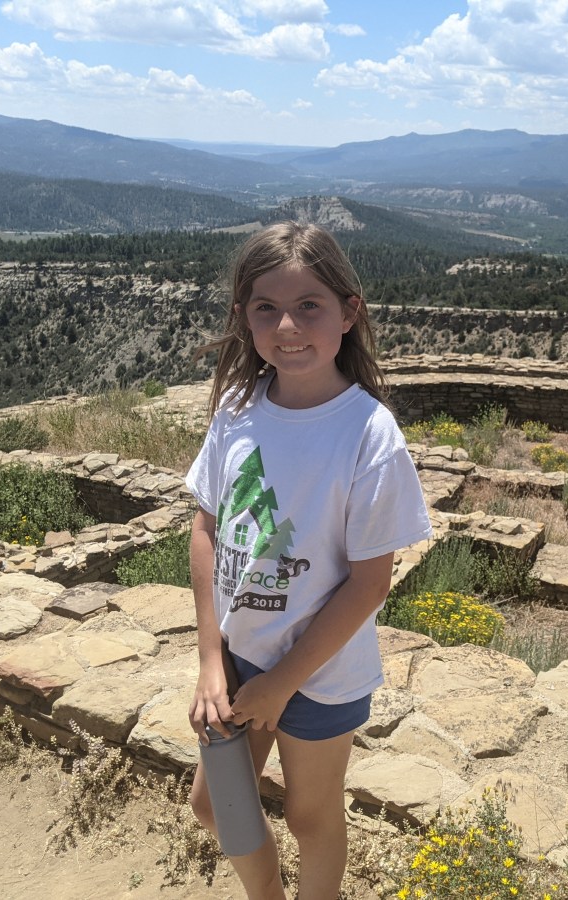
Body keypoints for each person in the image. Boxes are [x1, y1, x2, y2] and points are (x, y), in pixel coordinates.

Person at [185, 222, 432, 899]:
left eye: (309, 306)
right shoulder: (237, 409)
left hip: (322, 672)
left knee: (309, 812)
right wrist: (212, 660)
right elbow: (206, 528)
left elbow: (369, 582)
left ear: (349, 313)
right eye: (266, 308)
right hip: (238, 658)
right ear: (243, 316)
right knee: (216, 806)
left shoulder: (367, 433)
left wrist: (285, 681)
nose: (287, 325)